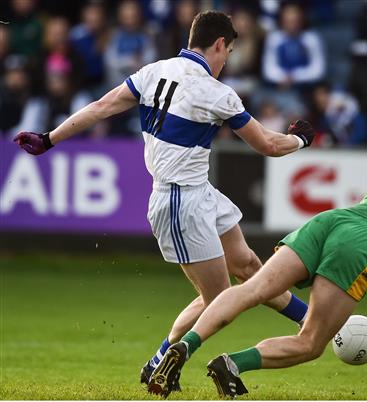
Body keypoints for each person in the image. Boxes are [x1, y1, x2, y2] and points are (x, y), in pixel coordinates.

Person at [13, 10, 313, 396]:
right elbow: (269, 145)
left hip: (199, 191)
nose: (227, 62)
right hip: (179, 200)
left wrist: (50, 138)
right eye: (229, 52)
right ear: (219, 44)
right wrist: (302, 140)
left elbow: (102, 106)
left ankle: (316, 323)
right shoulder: (215, 91)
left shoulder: (152, 71)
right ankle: (161, 359)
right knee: (219, 302)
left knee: (249, 266)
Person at [150, 145, 367, 398]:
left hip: (330, 221)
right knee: (311, 343)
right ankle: (233, 364)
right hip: (364, 242)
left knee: (252, 288)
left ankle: (186, 344)